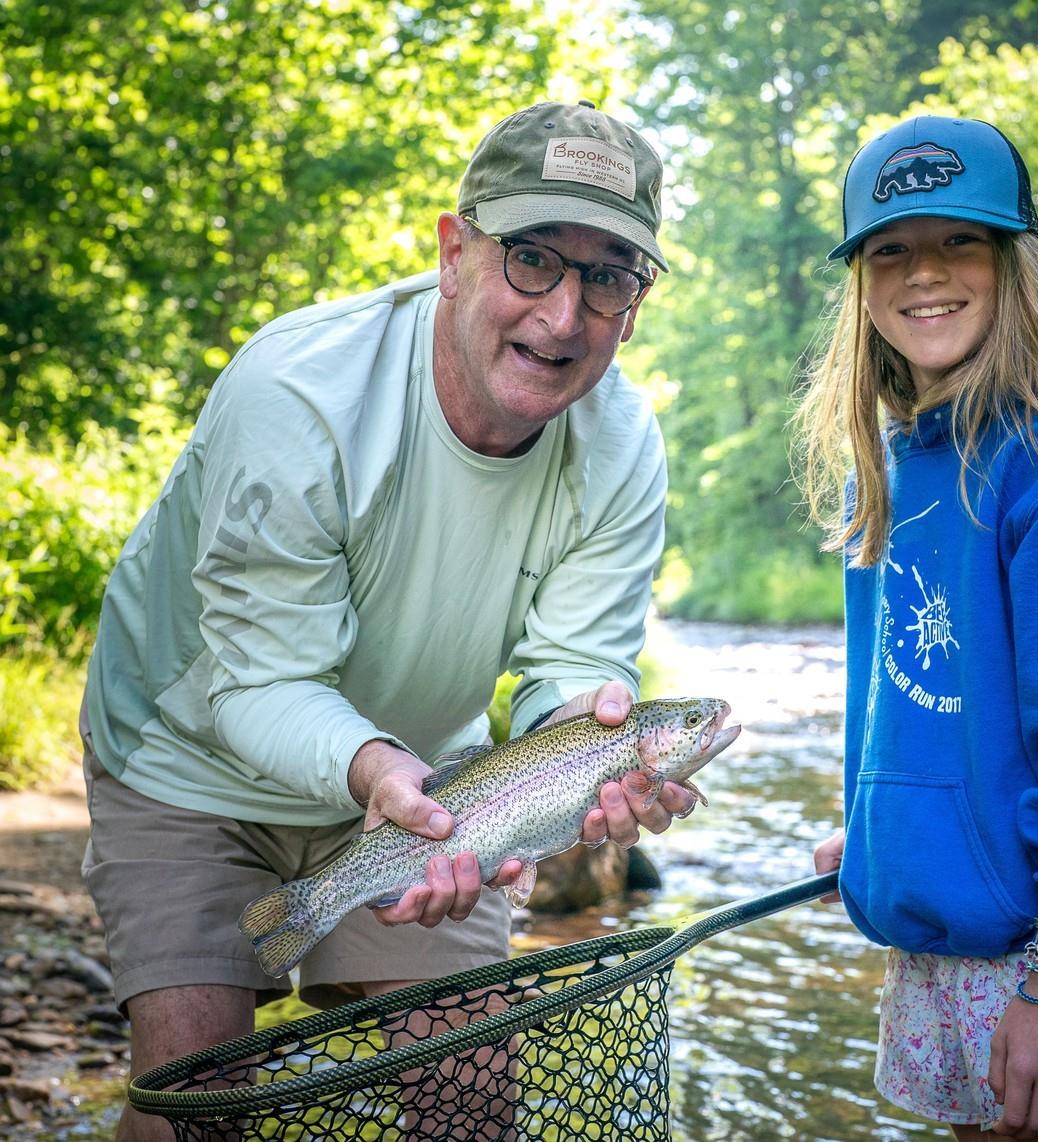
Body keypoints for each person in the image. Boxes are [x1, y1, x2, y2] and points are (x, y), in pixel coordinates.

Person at [80, 99, 695, 1141]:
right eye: (533, 259)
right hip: (186, 761)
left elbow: (571, 668)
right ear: (455, 253)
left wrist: (593, 761)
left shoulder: (623, 443)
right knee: (196, 1103)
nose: (562, 316)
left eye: (607, 277)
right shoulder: (301, 394)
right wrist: (375, 771)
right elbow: (258, 686)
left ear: (633, 306)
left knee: (469, 1101)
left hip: (433, 782)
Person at [796, 115, 1038, 1141]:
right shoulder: (888, 468)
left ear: (1016, 262)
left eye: (959, 240)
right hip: (937, 913)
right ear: (862, 283)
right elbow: (911, 700)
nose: (924, 272)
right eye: (890, 249)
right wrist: (880, 829)